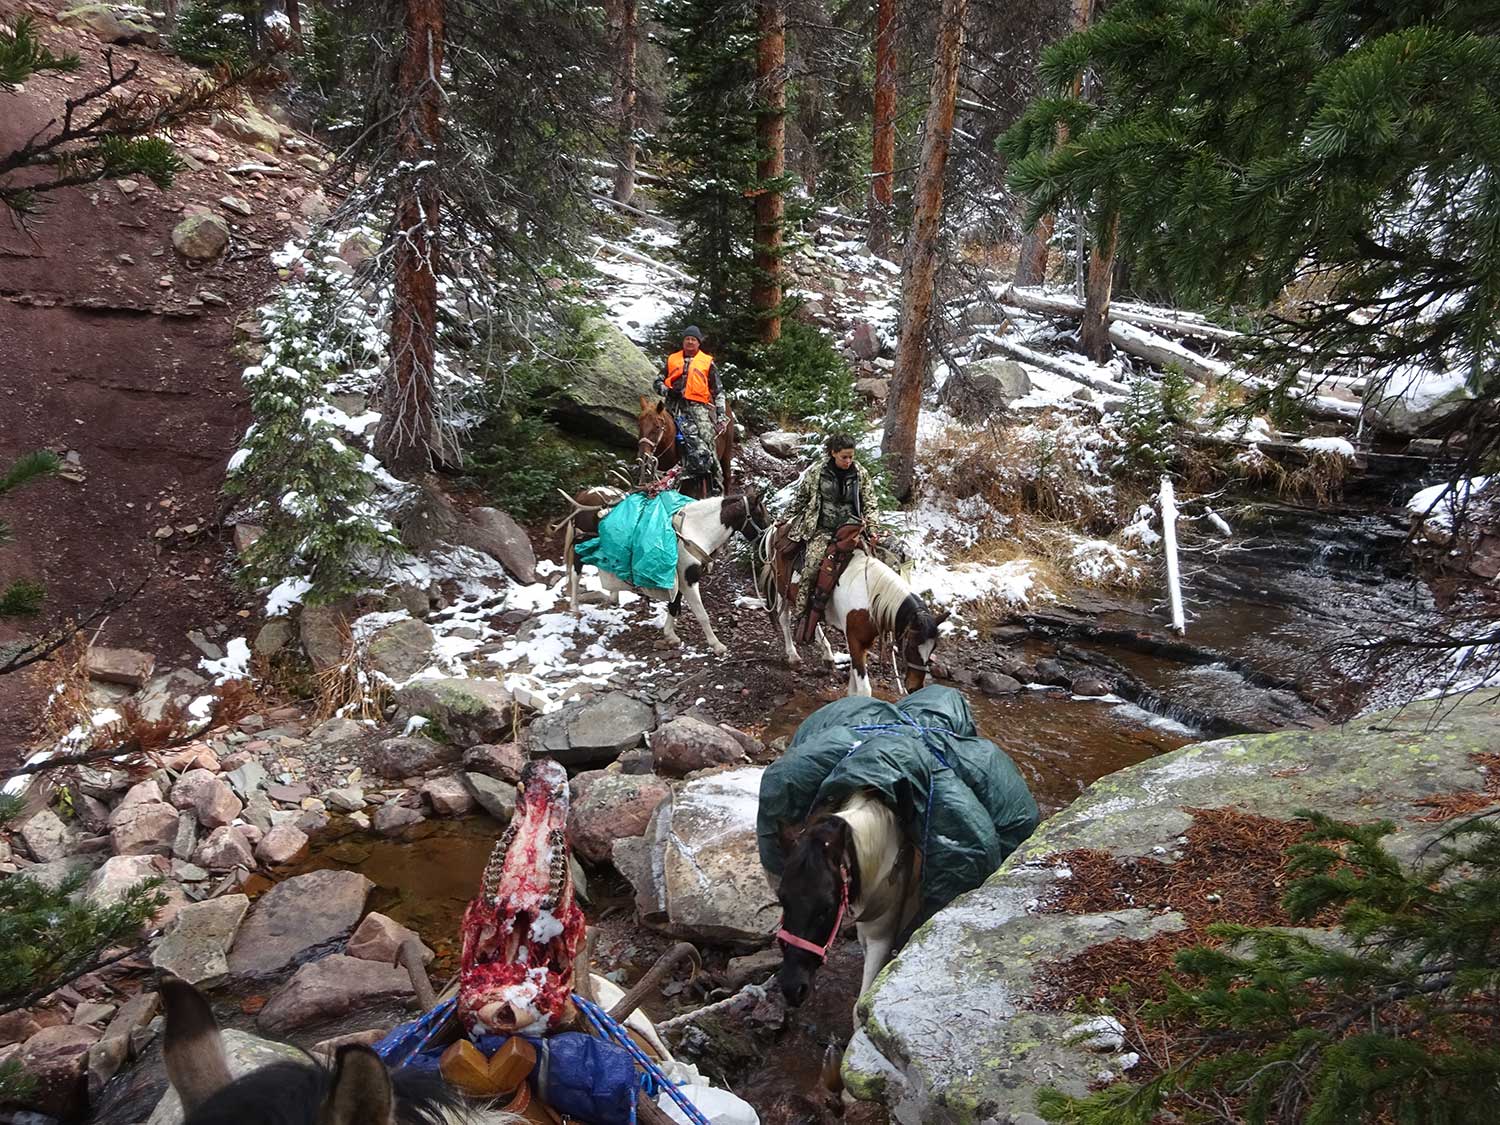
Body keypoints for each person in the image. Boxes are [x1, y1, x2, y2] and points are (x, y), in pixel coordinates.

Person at [784, 433, 878, 625]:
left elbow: (870, 501)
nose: (849, 461)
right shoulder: (818, 471)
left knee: (876, 562)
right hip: (823, 529)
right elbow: (802, 497)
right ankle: (801, 611)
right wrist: (785, 517)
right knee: (811, 566)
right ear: (833, 453)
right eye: (844, 456)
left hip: (852, 530)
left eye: (852, 456)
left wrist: (873, 526)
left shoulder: (860, 473)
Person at [654, 326, 727, 495]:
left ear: (698, 342)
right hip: (672, 405)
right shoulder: (672, 359)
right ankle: (647, 468)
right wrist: (668, 390)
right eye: (687, 338)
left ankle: (716, 481)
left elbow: (718, 391)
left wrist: (721, 415)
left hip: (697, 408)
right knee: (653, 428)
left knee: (707, 439)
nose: (690, 341)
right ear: (683, 341)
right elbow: (657, 382)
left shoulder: (707, 362)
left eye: (693, 339)